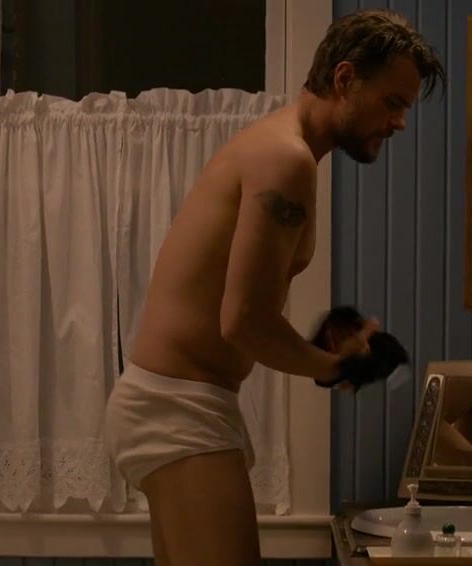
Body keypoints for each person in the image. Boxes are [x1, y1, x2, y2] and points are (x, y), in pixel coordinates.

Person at [104, 9, 445, 566]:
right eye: (392, 102)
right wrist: (335, 367)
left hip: (174, 402)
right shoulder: (285, 159)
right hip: (176, 408)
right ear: (345, 79)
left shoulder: (280, 150)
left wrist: (326, 350)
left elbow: (244, 310)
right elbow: (243, 322)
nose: (400, 122)